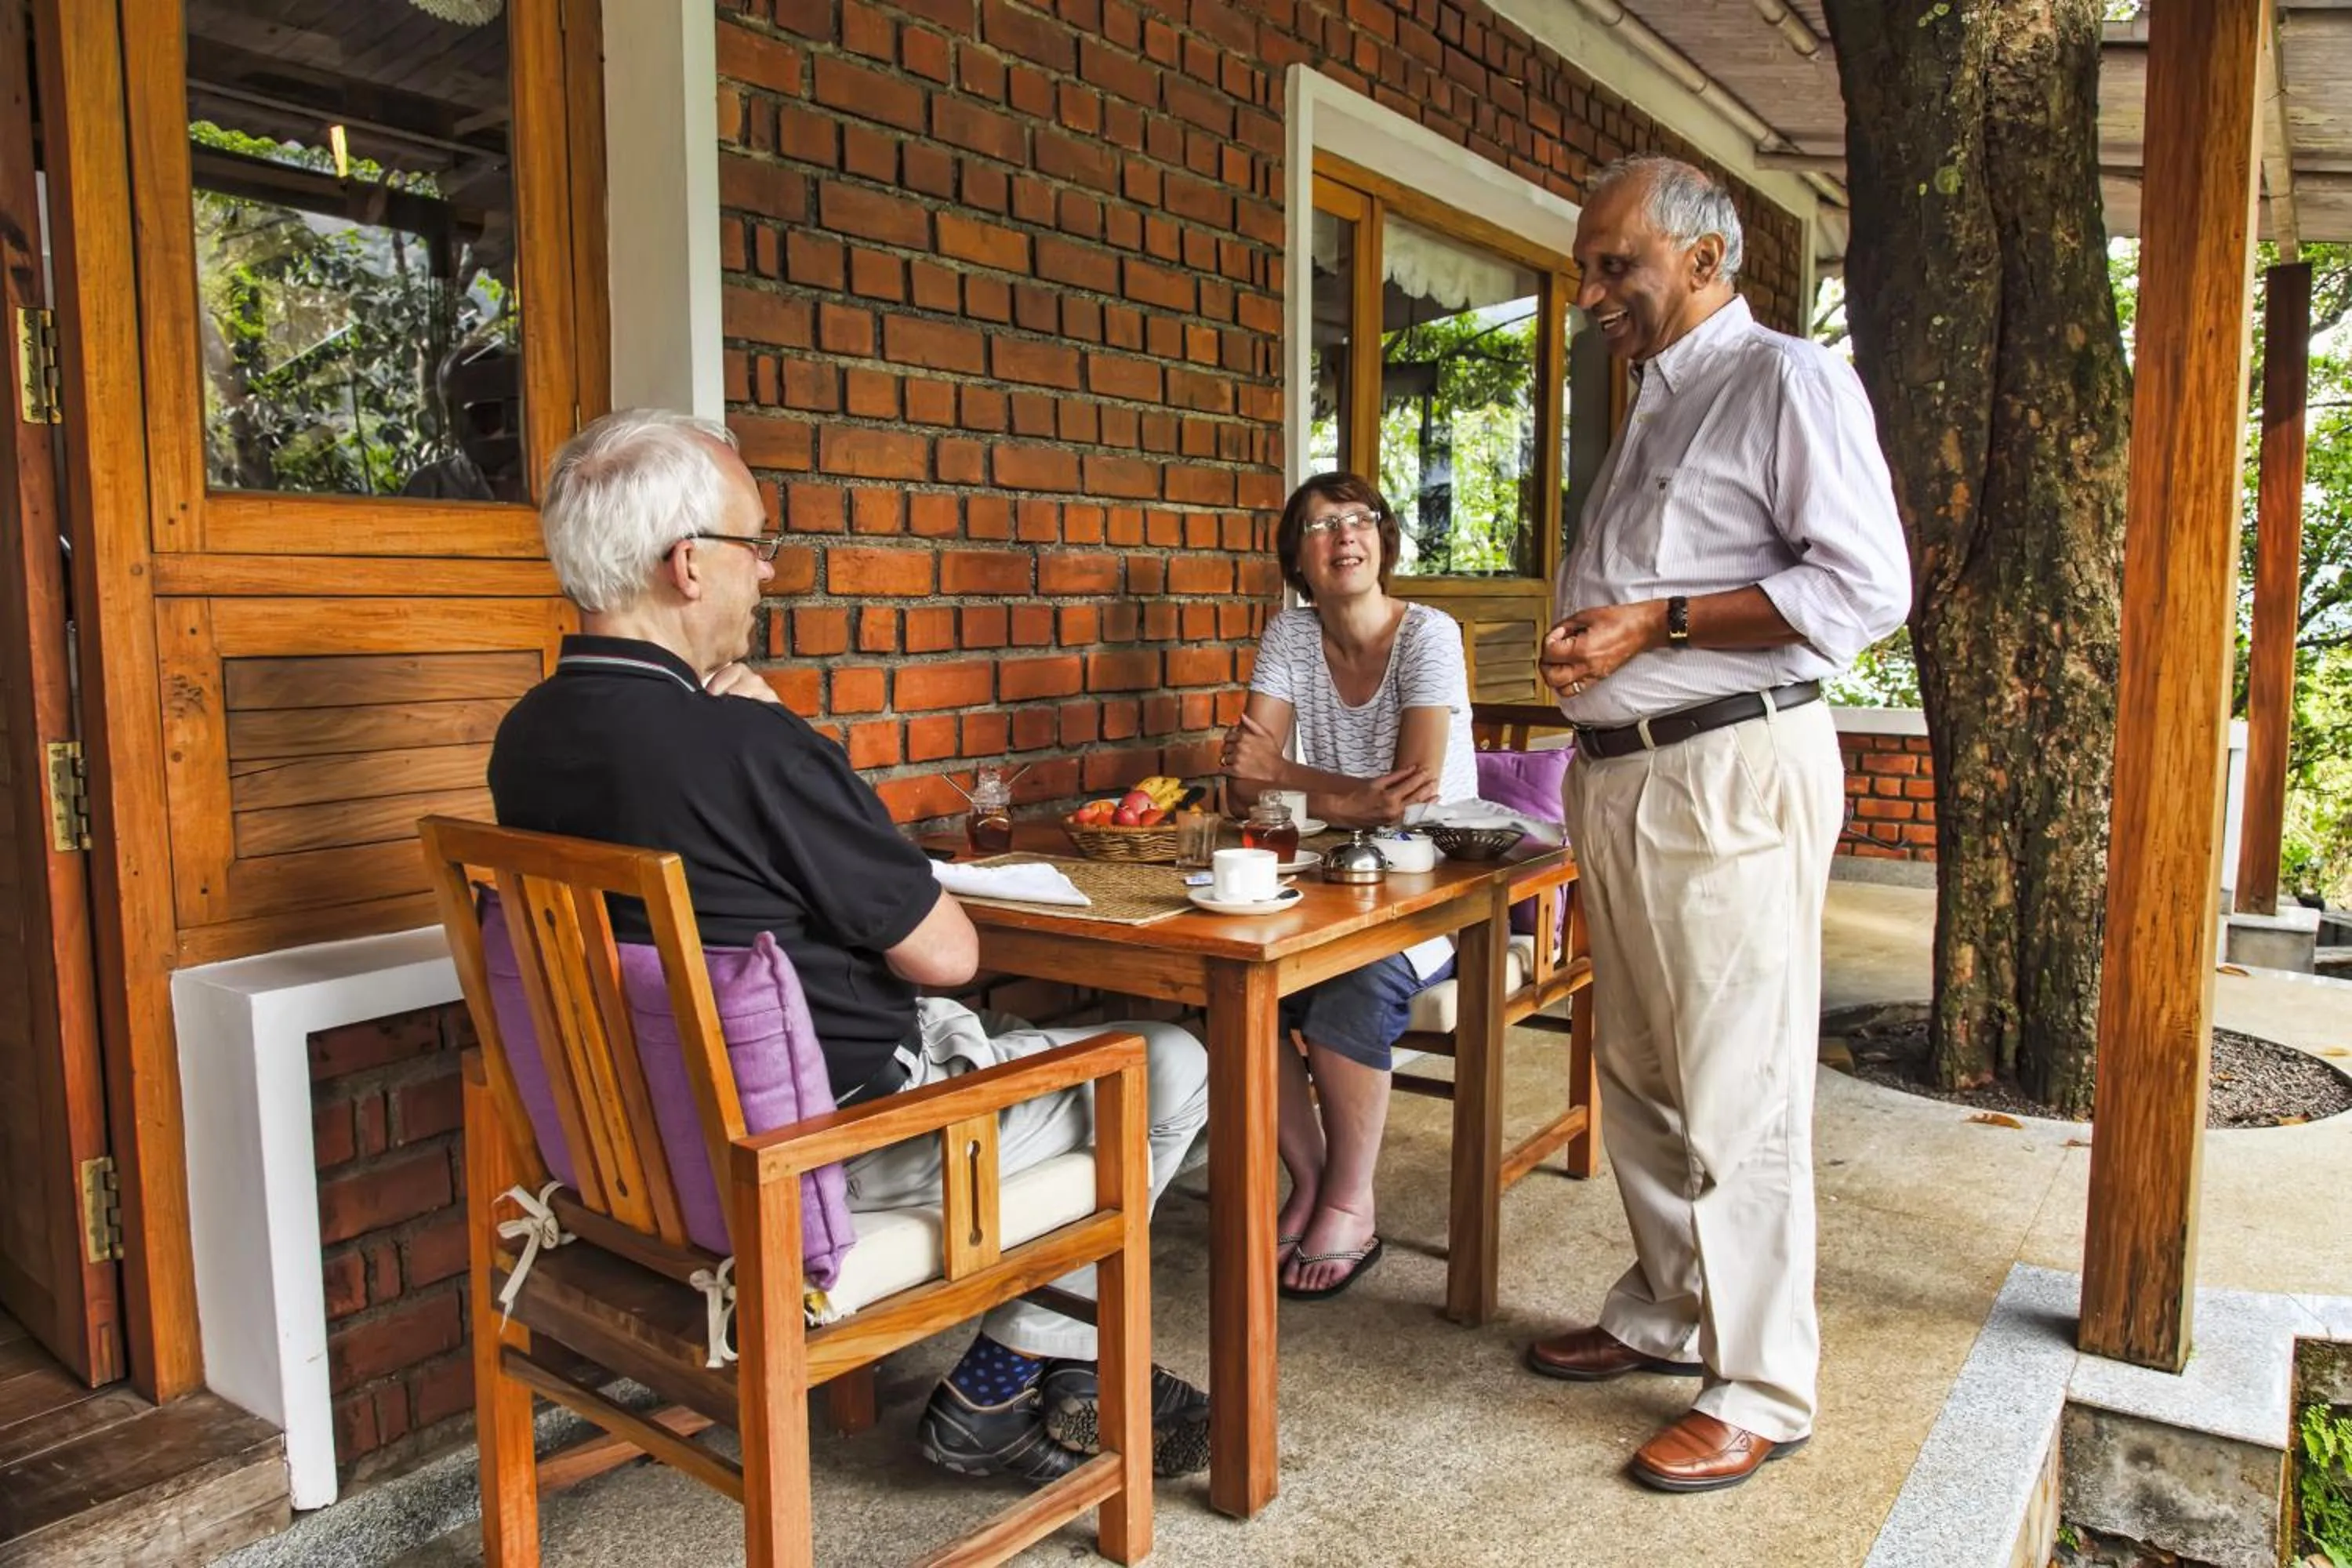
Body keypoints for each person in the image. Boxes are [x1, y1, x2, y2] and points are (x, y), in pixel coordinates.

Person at [488, 409, 1214, 1486]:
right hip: (828, 1157)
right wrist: (787, 737)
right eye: (755, 545)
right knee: (1172, 1061)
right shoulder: (748, 744)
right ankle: (1012, 1372)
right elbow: (946, 954)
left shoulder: (526, 737)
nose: (767, 572)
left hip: (641, 1159)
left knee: (999, 1032)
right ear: (688, 565)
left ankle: (1056, 1366)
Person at [1525, 156, 1911, 1494]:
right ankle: (1666, 1309)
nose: (1590, 294)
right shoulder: (1655, 397)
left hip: (1726, 771)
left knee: (1738, 1083)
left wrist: (1661, 623)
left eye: (1613, 266)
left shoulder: (1787, 380)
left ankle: (1762, 1384)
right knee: (1639, 1067)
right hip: (1623, 776)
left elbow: (1863, 588)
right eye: (1585, 269)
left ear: (1703, 261)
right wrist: (1608, 644)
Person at [1219, 471, 1479, 1300]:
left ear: (1383, 539)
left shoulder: (1428, 634)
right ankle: (1311, 1178)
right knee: (1236, 986)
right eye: (1321, 525)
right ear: (1297, 559)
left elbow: (1413, 790)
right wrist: (1349, 799)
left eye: (1359, 519)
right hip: (1331, 877)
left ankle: (1350, 1200)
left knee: (1351, 989)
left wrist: (1291, 778)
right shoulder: (1290, 634)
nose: (1344, 536)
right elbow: (1240, 786)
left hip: (1440, 885)